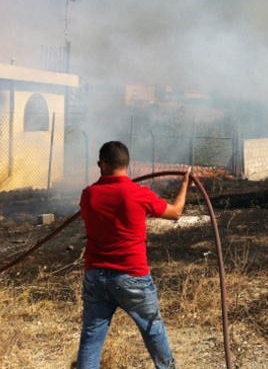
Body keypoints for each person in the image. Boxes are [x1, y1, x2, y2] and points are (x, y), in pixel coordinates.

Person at [77, 141, 190, 369]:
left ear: (105, 165)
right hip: (133, 278)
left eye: (99, 164)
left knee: (91, 339)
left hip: (96, 278)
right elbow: (176, 212)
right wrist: (185, 183)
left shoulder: (88, 195)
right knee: (154, 331)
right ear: (126, 165)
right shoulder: (138, 194)